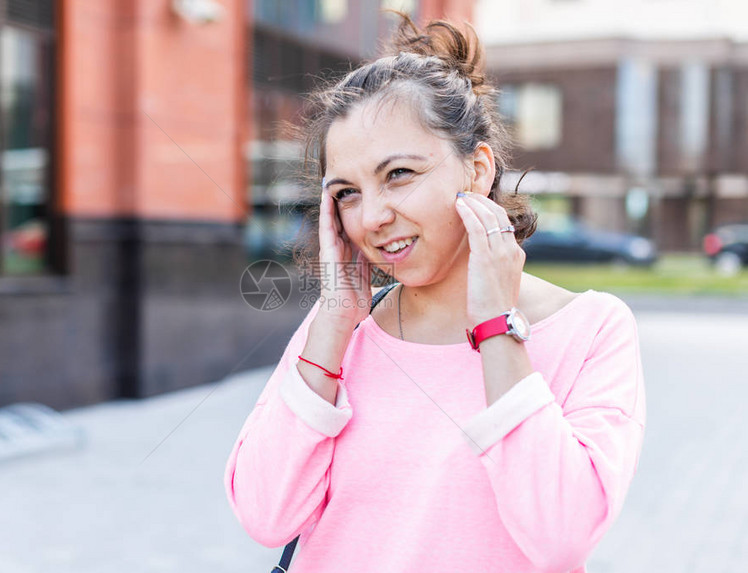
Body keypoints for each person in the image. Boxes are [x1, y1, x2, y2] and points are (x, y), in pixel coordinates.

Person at [225, 15, 645, 573]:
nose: (372, 217)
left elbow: (560, 537)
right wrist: (332, 322)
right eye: (347, 193)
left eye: (398, 174)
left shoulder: (590, 330)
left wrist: (496, 323)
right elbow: (265, 516)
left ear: (477, 170)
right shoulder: (340, 332)